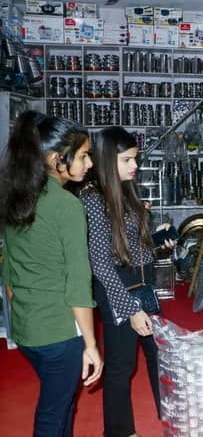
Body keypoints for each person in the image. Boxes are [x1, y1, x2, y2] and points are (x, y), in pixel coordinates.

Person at [0, 111, 103, 436]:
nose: (89, 164)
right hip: (60, 333)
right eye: (83, 156)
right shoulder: (66, 206)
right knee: (53, 415)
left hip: (27, 328)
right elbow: (78, 283)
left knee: (62, 404)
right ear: (56, 159)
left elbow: (8, 268)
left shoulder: (17, 196)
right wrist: (90, 344)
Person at [78, 126, 172, 437]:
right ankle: (119, 432)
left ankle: (171, 414)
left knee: (158, 352)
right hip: (116, 286)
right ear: (108, 160)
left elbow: (131, 244)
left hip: (141, 281)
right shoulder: (93, 199)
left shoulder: (125, 191)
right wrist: (130, 308)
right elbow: (100, 263)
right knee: (121, 365)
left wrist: (157, 239)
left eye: (135, 159)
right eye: (127, 160)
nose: (135, 166)